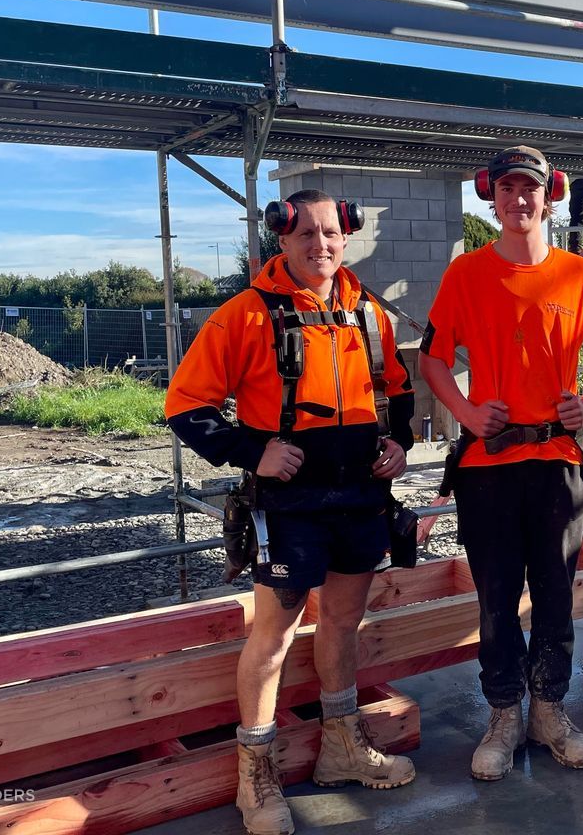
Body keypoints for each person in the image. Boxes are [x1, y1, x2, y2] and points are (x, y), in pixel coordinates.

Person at [165, 189, 417, 835]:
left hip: (361, 497)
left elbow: (400, 392)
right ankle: (256, 774)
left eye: (331, 233)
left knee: (342, 623)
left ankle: (341, 748)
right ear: (281, 237)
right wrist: (254, 451)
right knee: (272, 638)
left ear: (347, 234)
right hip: (289, 503)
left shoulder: (367, 313)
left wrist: (398, 445)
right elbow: (186, 407)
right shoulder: (245, 316)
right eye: (305, 233)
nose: (320, 245)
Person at [419, 145, 583, 782]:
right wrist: (466, 412)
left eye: (529, 189)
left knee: (557, 593)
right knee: (497, 594)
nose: (518, 200)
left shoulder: (577, 275)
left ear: (550, 194)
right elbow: (431, 358)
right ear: (492, 196)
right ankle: (504, 714)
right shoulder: (465, 275)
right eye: (506, 190)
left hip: (558, 461)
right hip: (489, 463)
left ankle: (550, 712)